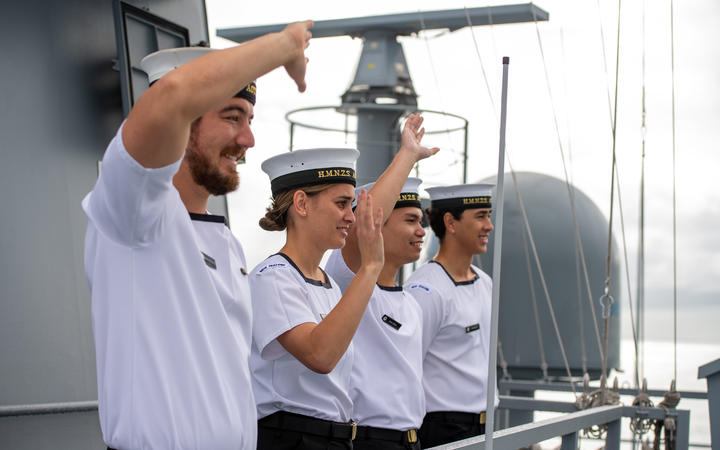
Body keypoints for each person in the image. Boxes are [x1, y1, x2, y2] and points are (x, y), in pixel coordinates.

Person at [81, 21, 313, 450]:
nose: (248, 139)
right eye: (232, 117)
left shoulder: (226, 242)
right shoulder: (135, 207)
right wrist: (284, 45)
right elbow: (169, 98)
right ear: (184, 122)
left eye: (249, 120)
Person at [250, 147, 384, 450]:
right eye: (341, 204)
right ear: (301, 203)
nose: (350, 217)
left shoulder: (328, 285)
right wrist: (371, 267)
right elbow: (320, 355)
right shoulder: (273, 276)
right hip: (293, 438)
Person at [323, 115, 439, 450]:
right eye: (411, 220)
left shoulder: (411, 303)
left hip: (411, 440)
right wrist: (407, 156)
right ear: (379, 224)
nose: (421, 231)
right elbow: (363, 224)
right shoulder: (350, 280)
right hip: (369, 440)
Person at [404, 184, 498, 448]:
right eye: (480, 216)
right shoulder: (426, 289)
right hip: (443, 429)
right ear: (450, 222)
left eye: (488, 215)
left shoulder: (485, 282)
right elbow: (407, 368)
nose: (489, 225)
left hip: (486, 424)